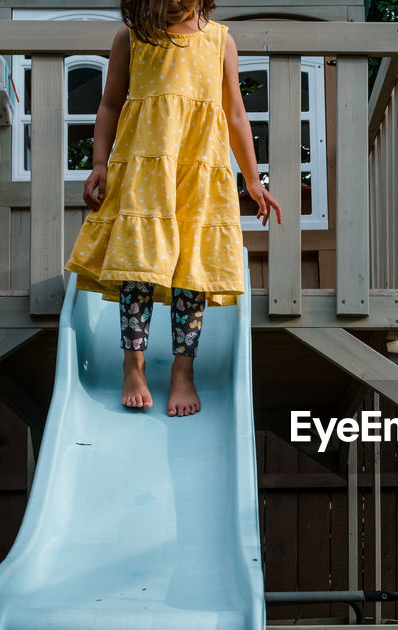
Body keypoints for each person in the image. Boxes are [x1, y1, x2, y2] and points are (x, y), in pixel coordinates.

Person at [64, 0, 282, 416]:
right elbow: (109, 105)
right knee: (137, 265)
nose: (170, 10)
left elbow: (235, 113)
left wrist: (254, 181)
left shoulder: (220, 40)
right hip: (146, 171)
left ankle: (183, 373)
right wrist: (98, 164)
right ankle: (134, 366)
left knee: (193, 272)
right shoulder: (131, 37)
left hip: (200, 172)